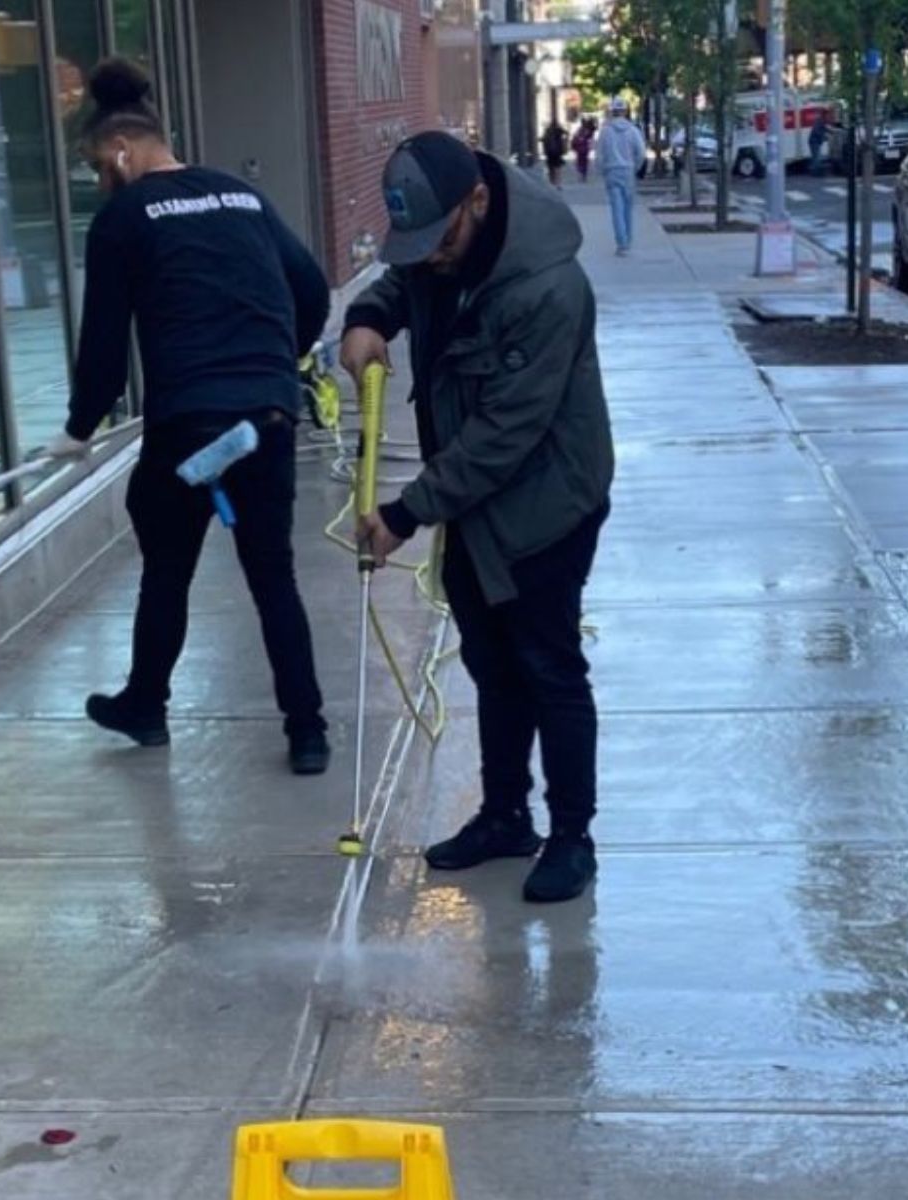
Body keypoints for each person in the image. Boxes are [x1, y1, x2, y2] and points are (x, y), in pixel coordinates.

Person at [339, 131, 616, 904]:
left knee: (547, 664)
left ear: (479, 202)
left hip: (548, 498)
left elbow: (506, 434)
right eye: (416, 243)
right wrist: (366, 316)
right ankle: (504, 817)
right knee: (490, 663)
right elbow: (404, 283)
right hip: (475, 497)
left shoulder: (548, 289)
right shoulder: (445, 252)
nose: (429, 256)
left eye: (439, 238)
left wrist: (406, 511)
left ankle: (571, 837)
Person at [49, 59, 333, 775]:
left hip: (187, 425)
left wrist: (80, 429)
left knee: (167, 568)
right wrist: (277, 363)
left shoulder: (123, 218)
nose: (98, 180)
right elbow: (310, 291)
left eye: (96, 166)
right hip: (265, 417)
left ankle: (146, 706)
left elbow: (105, 342)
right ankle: (307, 733)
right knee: (273, 577)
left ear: (120, 151)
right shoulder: (241, 197)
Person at [595, 98, 649, 256]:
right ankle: (628, 239)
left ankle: (621, 243)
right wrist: (635, 167)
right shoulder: (633, 130)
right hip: (628, 171)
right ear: (625, 111)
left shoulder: (605, 131)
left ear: (612, 111)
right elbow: (641, 153)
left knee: (616, 209)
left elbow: (599, 155)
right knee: (627, 209)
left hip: (612, 171)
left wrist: (602, 170)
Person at [542, 119, 570, 186]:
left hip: (549, 153)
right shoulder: (559, 130)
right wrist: (565, 142)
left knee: (551, 168)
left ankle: (552, 182)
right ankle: (558, 183)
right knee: (557, 168)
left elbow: (544, 140)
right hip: (557, 153)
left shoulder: (547, 130)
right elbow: (567, 133)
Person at [572, 116, 596, 181]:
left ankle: (581, 172)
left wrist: (574, 146)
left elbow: (575, 138)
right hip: (585, 148)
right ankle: (583, 174)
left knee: (580, 160)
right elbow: (590, 138)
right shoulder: (587, 130)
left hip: (580, 148)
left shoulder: (579, 130)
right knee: (584, 161)